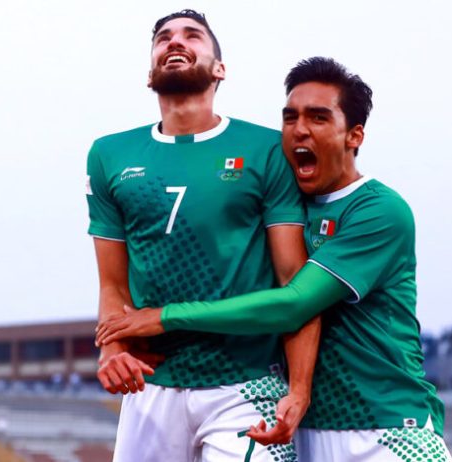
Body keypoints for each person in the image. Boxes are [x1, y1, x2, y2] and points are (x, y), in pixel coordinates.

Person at [96, 57, 452, 462]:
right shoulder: (278, 211)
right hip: (305, 431)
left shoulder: (378, 211)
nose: (300, 129)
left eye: (318, 118)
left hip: (388, 430)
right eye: (290, 117)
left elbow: (293, 303)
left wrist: (163, 317)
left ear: (354, 135)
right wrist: (119, 341)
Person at [86, 9, 319, 462]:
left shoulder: (267, 149)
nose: (175, 41)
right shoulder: (109, 154)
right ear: (149, 72)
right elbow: (113, 285)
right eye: (163, 38)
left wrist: (299, 389)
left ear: (220, 69)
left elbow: (296, 286)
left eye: (192, 36)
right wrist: (111, 349)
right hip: (151, 386)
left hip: (246, 384)